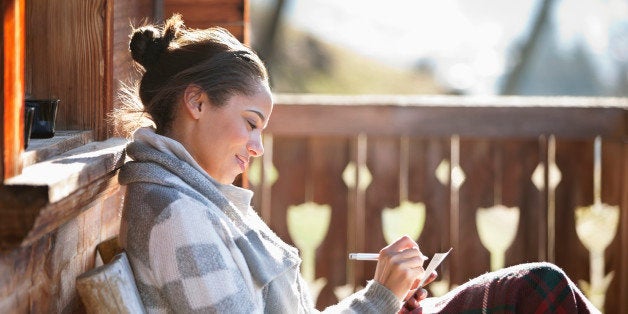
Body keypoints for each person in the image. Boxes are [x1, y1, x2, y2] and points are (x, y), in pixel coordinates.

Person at [114, 14, 598, 313]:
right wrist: (379, 299)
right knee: (540, 291)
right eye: (251, 121)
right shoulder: (176, 217)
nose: (258, 146)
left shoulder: (196, 199)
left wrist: (386, 295)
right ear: (196, 103)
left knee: (540, 290)